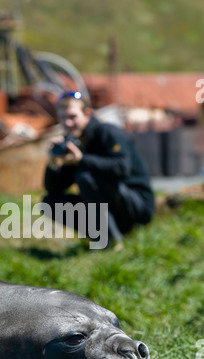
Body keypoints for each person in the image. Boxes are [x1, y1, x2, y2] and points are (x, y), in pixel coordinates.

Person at [43, 91, 155, 248]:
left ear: (87, 114)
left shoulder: (109, 133)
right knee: (49, 204)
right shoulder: (74, 142)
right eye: (62, 118)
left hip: (136, 204)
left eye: (72, 117)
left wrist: (81, 159)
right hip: (110, 205)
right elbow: (54, 189)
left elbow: (122, 168)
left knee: (85, 177)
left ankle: (111, 240)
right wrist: (54, 162)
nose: (67, 123)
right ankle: (105, 235)